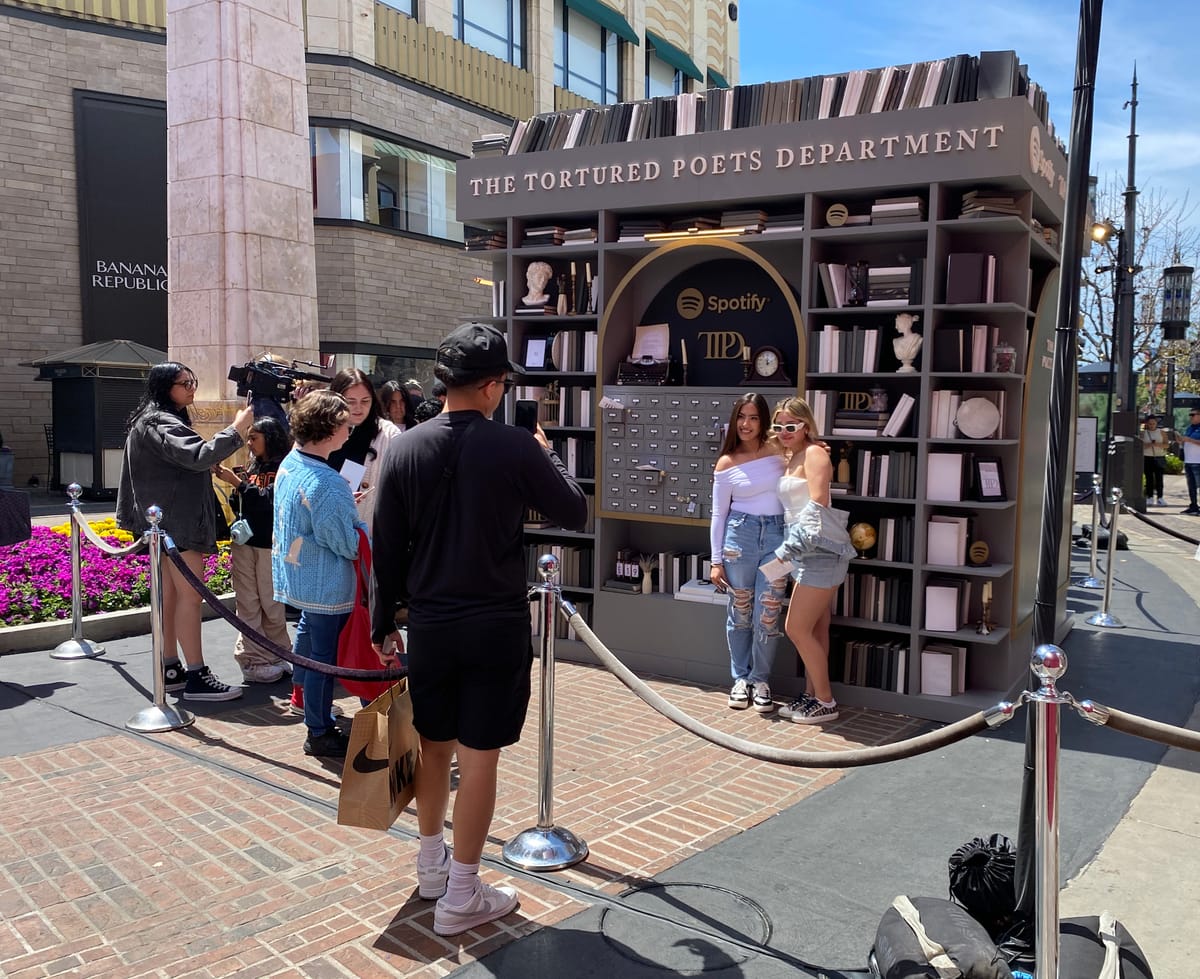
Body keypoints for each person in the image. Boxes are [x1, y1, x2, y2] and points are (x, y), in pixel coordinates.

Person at [371, 322, 587, 936]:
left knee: (434, 748)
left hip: (431, 622)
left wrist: (385, 621)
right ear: (493, 386)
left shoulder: (406, 446)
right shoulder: (514, 446)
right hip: (493, 621)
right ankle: (462, 892)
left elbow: (386, 546)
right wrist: (542, 449)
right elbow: (573, 508)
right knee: (480, 758)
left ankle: (432, 865)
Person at [116, 362, 252, 701]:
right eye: (184, 383)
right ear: (164, 387)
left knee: (170, 597)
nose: (191, 388)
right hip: (177, 526)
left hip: (163, 525)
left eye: (193, 381)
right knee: (189, 597)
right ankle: (196, 674)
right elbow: (198, 456)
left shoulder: (148, 421)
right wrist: (236, 430)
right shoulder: (160, 422)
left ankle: (171, 666)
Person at [272, 390, 368, 757]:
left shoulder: (291, 463)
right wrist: (353, 521)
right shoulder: (326, 482)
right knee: (325, 659)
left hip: (298, 578)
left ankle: (313, 714)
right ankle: (319, 729)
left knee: (312, 649)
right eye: (345, 424)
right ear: (329, 429)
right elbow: (347, 543)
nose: (350, 429)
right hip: (327, 584)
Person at [770, 397, 855, 724]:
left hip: (816, 551)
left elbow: (817, 507)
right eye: (780, 426)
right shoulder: (793, 453)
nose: (785, 431)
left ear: (806, 425)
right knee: (816, 630)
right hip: (804, 551)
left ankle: (825, 700)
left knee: (795, 627)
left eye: (792, 426)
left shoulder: (815, 454)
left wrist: (781, 558)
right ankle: (813, 694)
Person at [709, 394, 787, 713]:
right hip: (738, 538)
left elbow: (805, 465)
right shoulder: (726, 462)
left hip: (777, 537)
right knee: (740, 611)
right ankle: (740, 678)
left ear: (763, 420)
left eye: (754, 417)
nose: (746, 424)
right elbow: (718, 514)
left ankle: (760, 679)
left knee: (768, 612)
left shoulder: (779, 451)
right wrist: (715, 562)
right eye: (742, 416)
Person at [213, 417, 293, 684]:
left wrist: (239, 484)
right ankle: (253, 659)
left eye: (254, 438)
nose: (249, 444)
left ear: (270, 438)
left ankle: (279, 652)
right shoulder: (254, 466)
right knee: (248, 601)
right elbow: (245, 503)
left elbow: (270, 501)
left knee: (271, 601)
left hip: (270, 543)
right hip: (246, 541)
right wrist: (241, 485)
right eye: (248, 438)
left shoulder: (284, 466)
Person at [327, 368, 400, 534]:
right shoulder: (321, 431)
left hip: (368, 532)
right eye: (351, 402)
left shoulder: (388, 434)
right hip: (327, 530)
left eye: (365, 401)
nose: (358, 408)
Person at [1141, 414, 1166, 506]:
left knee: (1159, 478)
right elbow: (1140, 446)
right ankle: (1150, 497)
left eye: (1153, 423)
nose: (1152, 425)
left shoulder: (1162, 432)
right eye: (1150, 423)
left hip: (1159, 456)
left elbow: (1166, 445)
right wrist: (1149, 445)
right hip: (1147, 457)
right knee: (1149, 478)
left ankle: (1160, 497)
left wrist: (1158, 445)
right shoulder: (1143, 433)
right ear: (1147, 424)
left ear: (1156, 423)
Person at [1179, 408, 1200, 515]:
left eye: (1193, 414)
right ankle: (1194, 506)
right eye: (1190, 415)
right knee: (1191, 486)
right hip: (1188, 461)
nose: (1191, 417)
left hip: (1198, 462)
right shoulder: (1190, 428)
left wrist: (1189, 440)